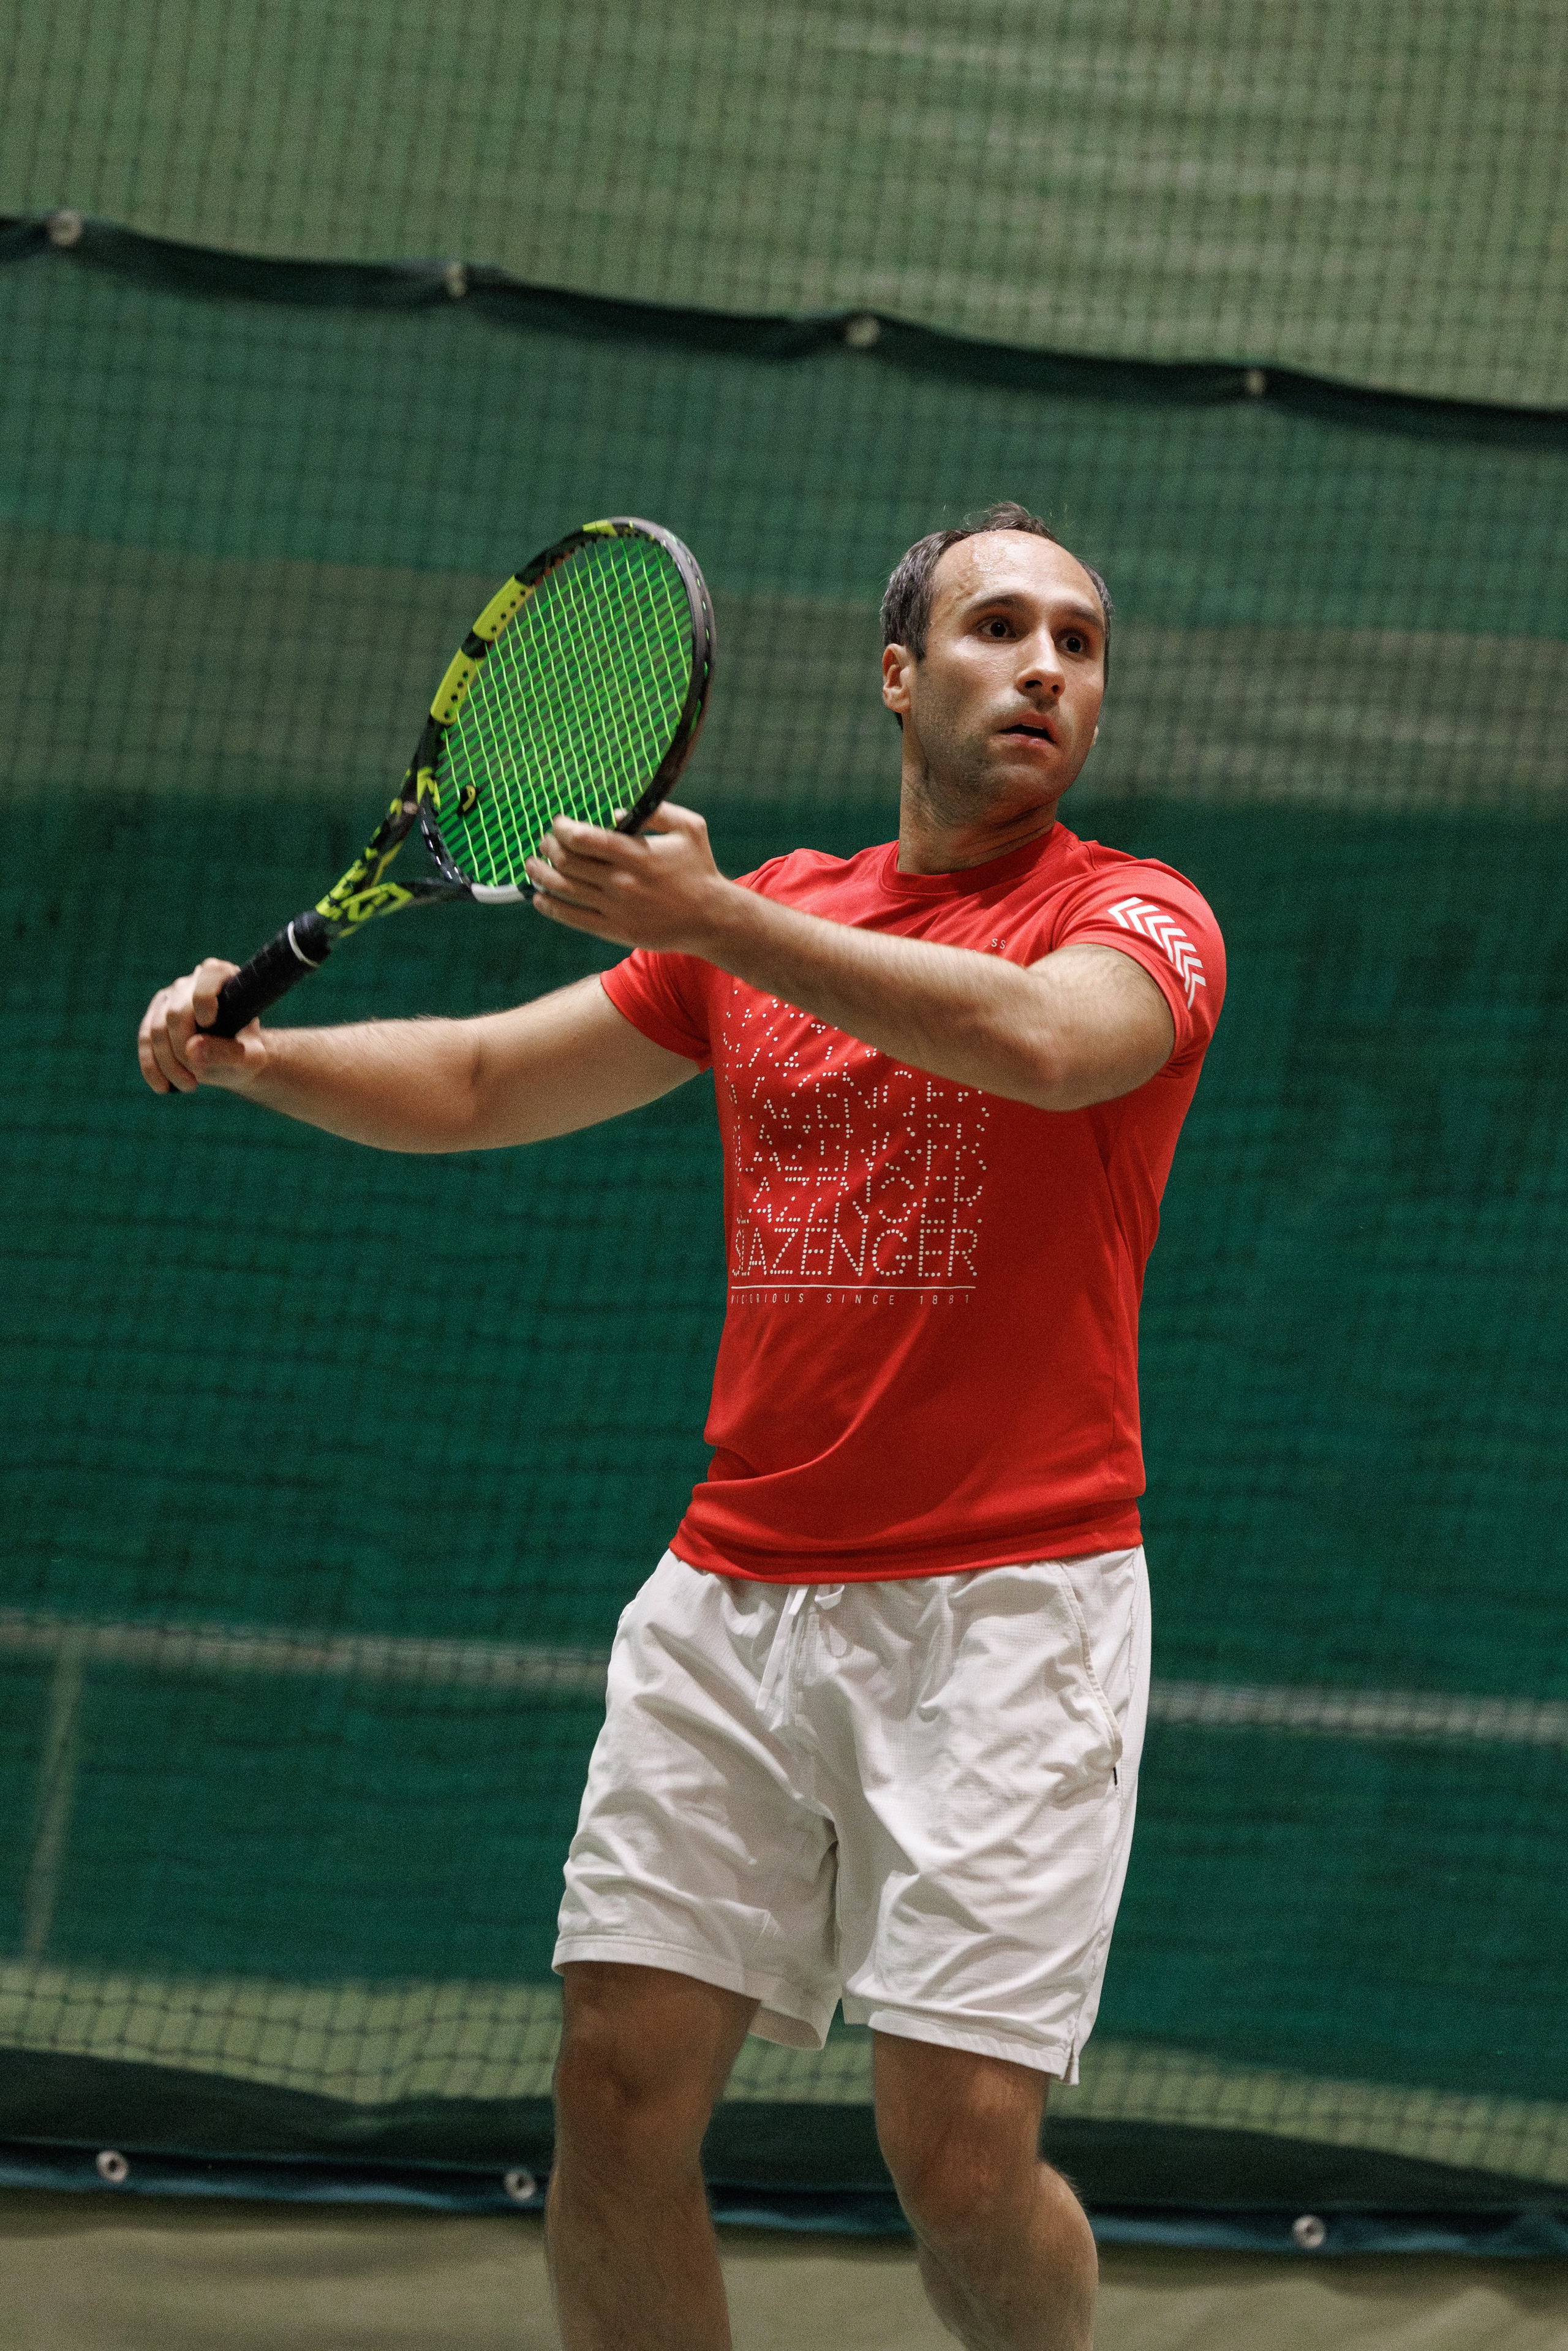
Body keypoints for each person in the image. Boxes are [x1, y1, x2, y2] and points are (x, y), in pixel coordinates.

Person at [138, 502, 1224, 2351]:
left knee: (959, 2158)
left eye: (1081, 640)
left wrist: (716, 917)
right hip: (735, 1600)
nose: (1046, 665)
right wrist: (263, 1061)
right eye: (998, 629)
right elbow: (486, 1077)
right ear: (900, 674)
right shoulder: (769, 918)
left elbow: (1045, 1043)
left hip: (1010, 1611)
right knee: (615, 2097)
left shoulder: (1136, 917)